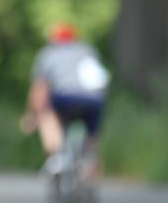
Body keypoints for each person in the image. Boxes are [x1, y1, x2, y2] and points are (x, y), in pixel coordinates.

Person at [20, 23, 109, 179]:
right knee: (92, 133)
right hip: (94, 100)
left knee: (46, 113)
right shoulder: (88, 50)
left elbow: (40, 89)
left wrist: (32, 115)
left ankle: (56, 155)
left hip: (65, 98)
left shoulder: (48, 53)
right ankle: (90, 157)